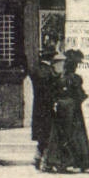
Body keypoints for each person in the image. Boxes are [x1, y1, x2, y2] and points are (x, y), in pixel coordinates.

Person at [40, 50, 89, 173]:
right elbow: (80, 94)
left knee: (58, 135)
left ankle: (55, 161)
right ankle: (77, 161)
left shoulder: (59, 77)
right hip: (72, 109)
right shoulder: (75, 79)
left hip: (61, 109)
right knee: (75, 135)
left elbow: (53, 93)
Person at [25, 41, 58, 169]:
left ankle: (37, 157)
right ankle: (45, 162)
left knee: (41, 133)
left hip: (38, 105)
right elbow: (54, 88)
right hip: (49, 106)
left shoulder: (35, 70)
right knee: (49, 134)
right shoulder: (50, 72)